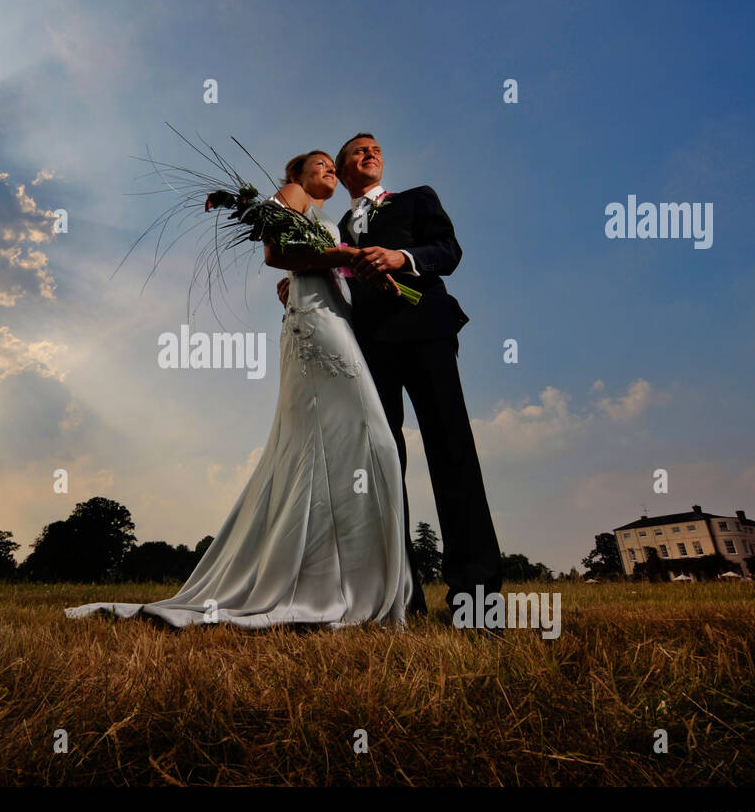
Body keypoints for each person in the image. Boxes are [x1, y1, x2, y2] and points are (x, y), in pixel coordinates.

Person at [65, 150, 415, 628]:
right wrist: (343, 257)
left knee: (344, 445)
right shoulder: (293, 196)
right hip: (319, 332)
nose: (329, 169)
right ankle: (329, 584)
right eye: (320, 164)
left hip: (333, 319)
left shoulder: (324, 215)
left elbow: (305, 262)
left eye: (331, 165)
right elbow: (276, 253)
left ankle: (331, 578)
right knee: (368, 436)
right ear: (296, 175)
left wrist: (345, 269)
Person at [277, 133, 502, 623]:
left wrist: (403, 259)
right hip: (366, 350)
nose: (370, 154)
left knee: (452, 452)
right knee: (379, 466)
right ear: (340, 169)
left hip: (427, 334)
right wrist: (298, 282)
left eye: (375, 148)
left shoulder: (418, 198)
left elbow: (449, 250)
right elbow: (324, 277)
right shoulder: (331, 228)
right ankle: (401, 595)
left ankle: (477, 599)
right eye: (358, 152)